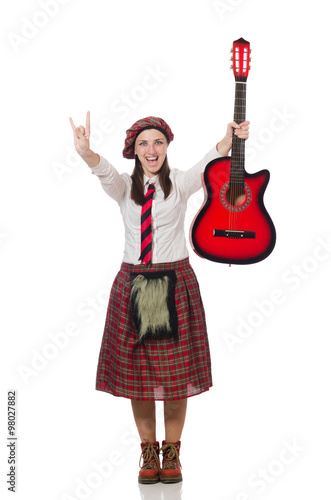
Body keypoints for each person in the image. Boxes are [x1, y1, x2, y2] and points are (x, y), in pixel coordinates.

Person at [69, 112, 249, 485]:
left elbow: (206, 165)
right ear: (134, 151)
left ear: (166, 147)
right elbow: (103, 171)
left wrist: (227, 142)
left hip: (174, 283)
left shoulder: (179, 184)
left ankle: (172, 451)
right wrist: (87, 152)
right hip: (134, 283)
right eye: (143, 144)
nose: (151, 151)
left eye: (158, 143)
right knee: (140, 376)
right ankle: (147, 451)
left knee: (174, 376)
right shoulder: (123, 187)